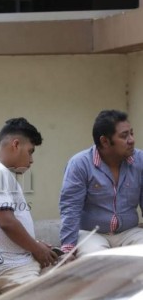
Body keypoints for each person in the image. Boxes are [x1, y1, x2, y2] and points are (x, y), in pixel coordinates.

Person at [0, 118, 58, 293]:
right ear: (16, 144)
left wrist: (36, 244)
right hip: (10, 266)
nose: (31, 160)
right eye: (30, 151)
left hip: (18, 261)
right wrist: (36, 249)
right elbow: (7, 222)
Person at [59, 109, 143, 256]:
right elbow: (71, 208)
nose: (131, 140)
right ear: (104, 141)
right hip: (92, 234)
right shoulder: (80, 164)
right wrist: (67, 249)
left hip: (129, 232)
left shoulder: (140, 160)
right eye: (124, 136)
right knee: (97, 263)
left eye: (131, 133)